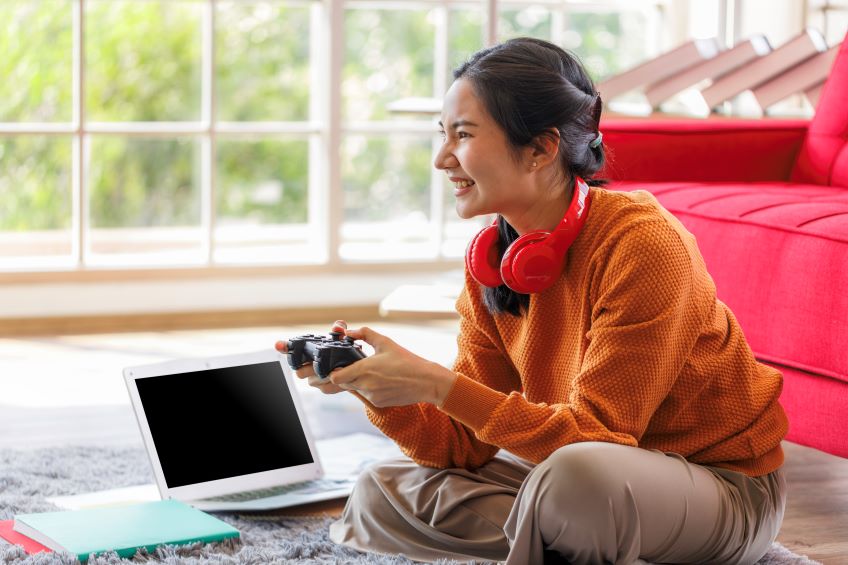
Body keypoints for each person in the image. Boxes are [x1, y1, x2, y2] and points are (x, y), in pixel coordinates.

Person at [276, 37, 788, 565]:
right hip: (589, 478)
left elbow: (600, 438)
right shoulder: (494, 262)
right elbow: (462, 447)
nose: (441, 159)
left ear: (541, 149)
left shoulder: (642, 244)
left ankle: (556, 537)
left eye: (464, 135)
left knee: (575, 480)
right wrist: (377, 387)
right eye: (442, 135)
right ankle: (565, 544)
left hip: (719, 488)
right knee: (380, 491)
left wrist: (435, 382)